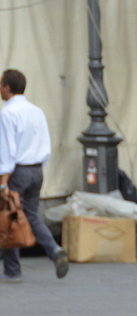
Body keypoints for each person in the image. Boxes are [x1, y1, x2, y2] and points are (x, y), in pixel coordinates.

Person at [0, 69, 68, 282]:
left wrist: (3, 182)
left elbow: (7, 149)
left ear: (8, 87)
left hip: (18, 170)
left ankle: (13, 270)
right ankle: (54, 249)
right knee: (30, 214)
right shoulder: (37, 111)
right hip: (37, 169)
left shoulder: (7, 113)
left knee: (8, 216)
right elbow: (44, 142)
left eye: (1, 84)